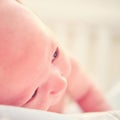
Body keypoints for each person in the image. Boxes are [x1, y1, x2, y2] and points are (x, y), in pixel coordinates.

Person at [0, 0, 111, 113]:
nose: (61, 82)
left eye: (54, 55)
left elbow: (87, 93)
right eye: (34, 93)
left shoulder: (71, 68)